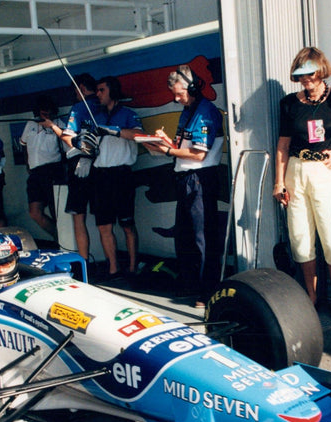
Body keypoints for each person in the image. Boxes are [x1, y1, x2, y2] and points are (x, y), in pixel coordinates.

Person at [271, 48, 331, 320]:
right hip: (296, 171)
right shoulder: (288, 103)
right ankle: (312, 293)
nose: (306, 79)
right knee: (300, 236)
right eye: (301, 74)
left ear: (321, 71)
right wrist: (278, 182)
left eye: (310, 73)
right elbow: (283, 145)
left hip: (324, 170)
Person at [145, 65, 225, 308]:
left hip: (200, 179)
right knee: (185, 235)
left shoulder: (206, 112)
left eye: (179, 94)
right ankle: (189, 282)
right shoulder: (188, 111)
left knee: (203, 237)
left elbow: (199, 155)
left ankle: (208, 289)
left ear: (192, 88)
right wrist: (163, 142)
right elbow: (184, 146)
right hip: (184, 178)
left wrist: (167, 149)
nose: (176, 98)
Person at [40, 73, 99, 264]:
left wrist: (51, 126)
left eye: (76, 90)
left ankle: (84, 264)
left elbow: (68, 137)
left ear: (81, 88)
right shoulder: (103, 105)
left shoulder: (79, 107)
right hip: (101, 165)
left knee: (78, 218)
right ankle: (112, 265)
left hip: (79, 165)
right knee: (104, 223)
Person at [89, 75, 143, 277]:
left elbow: (139, 136)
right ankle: (113, 269)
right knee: (104, 225)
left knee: (127, 225)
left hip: (122, 175)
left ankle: (132, 267)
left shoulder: (128, 114)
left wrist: (115, 131)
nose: (98, 94)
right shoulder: (96, 116)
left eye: (101, 90)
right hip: (101, 176)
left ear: (112, 91)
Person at [20, 94, 64, 238]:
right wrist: (28, 164)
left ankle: (64, 243)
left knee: (56, 211)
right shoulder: (30, 124)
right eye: (42, 109)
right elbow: (23, 145)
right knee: (35, 213)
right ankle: (59, 237)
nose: (45, 112)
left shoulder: (59, 123)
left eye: (48, 110)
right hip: (35, 173)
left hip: (53, 171)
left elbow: (68, 142)